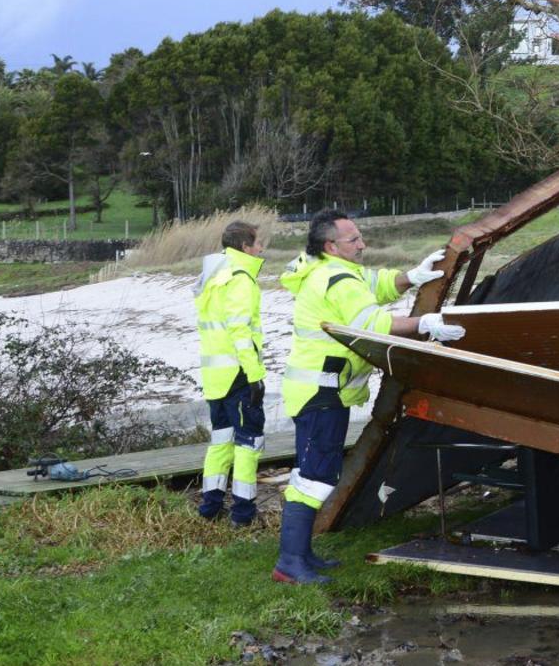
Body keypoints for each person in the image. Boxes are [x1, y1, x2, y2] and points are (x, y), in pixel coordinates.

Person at [273, 209, 466, 584]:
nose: (362, 244)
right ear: (331, 246)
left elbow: (375, 284)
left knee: (315, 472)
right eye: (354, 240)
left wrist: (411, 277)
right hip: (321, 393)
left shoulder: (334, 270)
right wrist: (425, 325)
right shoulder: (336, 278)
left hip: (323, 390)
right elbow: (373, 325)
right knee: (314, 477)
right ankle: (289, 563)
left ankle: (302, 555)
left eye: (360, 236)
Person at [192, 220, 267, 527]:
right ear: (244, 247)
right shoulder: (240, 278)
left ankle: (210, 508)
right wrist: (255, 375)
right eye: (257, 243)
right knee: (249, 442)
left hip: (214, 376)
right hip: (238, 374)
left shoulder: (212, 275)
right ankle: (243, 513)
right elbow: (240, 331)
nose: (261, 248)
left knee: (220, 441)